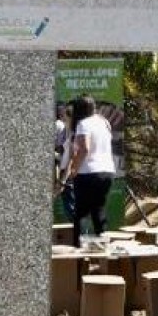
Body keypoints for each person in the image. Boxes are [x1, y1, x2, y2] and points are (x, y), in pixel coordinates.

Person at [65, 95, 117, 237]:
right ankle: (103, 247)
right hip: (107, 171)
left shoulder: (84, 124)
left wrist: (74, 169)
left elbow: (84, 149)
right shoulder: (104, 122)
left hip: (88, 173)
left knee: (80, 214)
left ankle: (77, 252)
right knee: (98, 211)